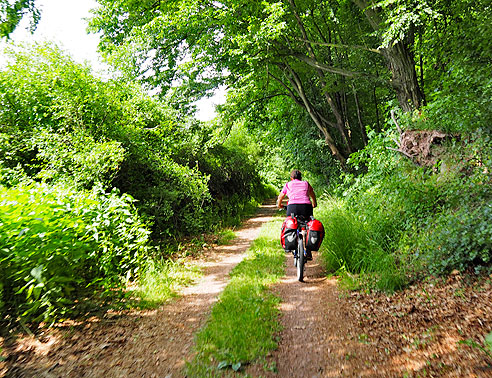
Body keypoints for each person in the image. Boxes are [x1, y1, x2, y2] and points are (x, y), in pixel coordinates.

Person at [277, 169, 317, 259]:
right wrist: (314, 203)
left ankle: (290, 242)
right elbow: (312, 194)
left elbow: (280, 197)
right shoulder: (306, 183)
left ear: (291, 178)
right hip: (306, 207)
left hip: (292, 207)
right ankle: (309, 250)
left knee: (290, 223)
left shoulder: (288, 184)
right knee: (308, 225)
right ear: (301, 178)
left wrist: (279, 205)